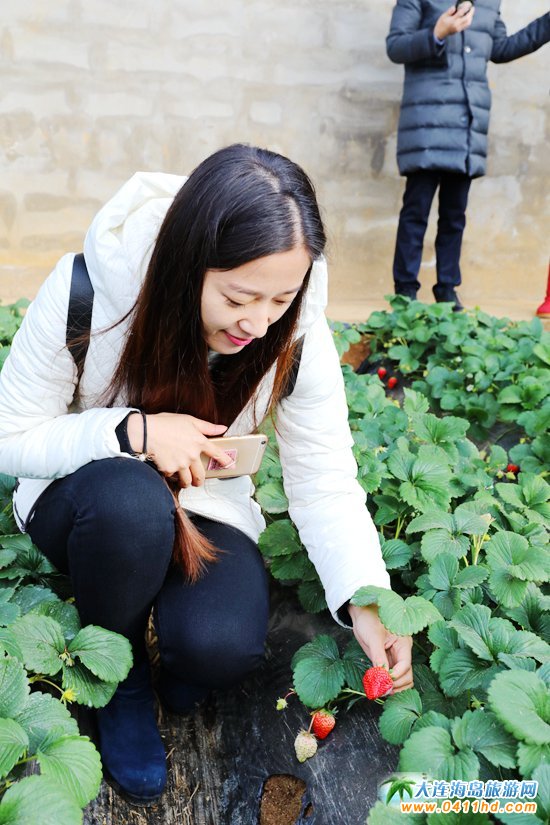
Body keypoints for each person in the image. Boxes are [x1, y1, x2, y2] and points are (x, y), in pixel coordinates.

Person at [0, 145, 413, 805]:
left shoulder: (294, 334)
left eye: (281, 298)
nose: (259, 322)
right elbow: (9, 435)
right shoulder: (90, 289)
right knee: (130, 502)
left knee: (221, 646)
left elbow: (325, 479)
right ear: (187, 261)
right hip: (89, 500)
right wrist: (132, 432)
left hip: (204, 503)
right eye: (239, 297)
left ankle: (176, 653)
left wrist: (369, 599)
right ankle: (119, 673)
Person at [387, 1, 550, 310]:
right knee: (416, 211)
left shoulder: (488, 3)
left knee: (454, 215)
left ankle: (447, 288)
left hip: (466, 125)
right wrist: (437, 33)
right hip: (427, 123)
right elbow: (396, 46)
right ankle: (405, 293)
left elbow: (500, 48)